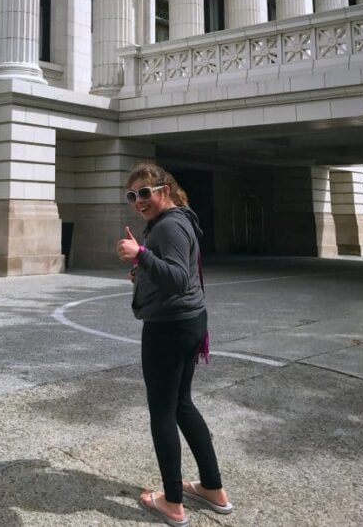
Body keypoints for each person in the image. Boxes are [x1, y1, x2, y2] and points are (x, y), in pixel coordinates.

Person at [117, 163, 232, 525]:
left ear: (164, 191)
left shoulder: (169, 225)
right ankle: (212, 488)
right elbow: (173, 271)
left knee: (163, 412)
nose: (139, 201)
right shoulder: (178, 220)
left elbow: (179, 278)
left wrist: (142, 256)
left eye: (145, 193)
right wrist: (145, 267)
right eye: (133, 196)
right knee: (182, 405)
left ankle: (172, 501)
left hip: (169, 328)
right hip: (187, 323)